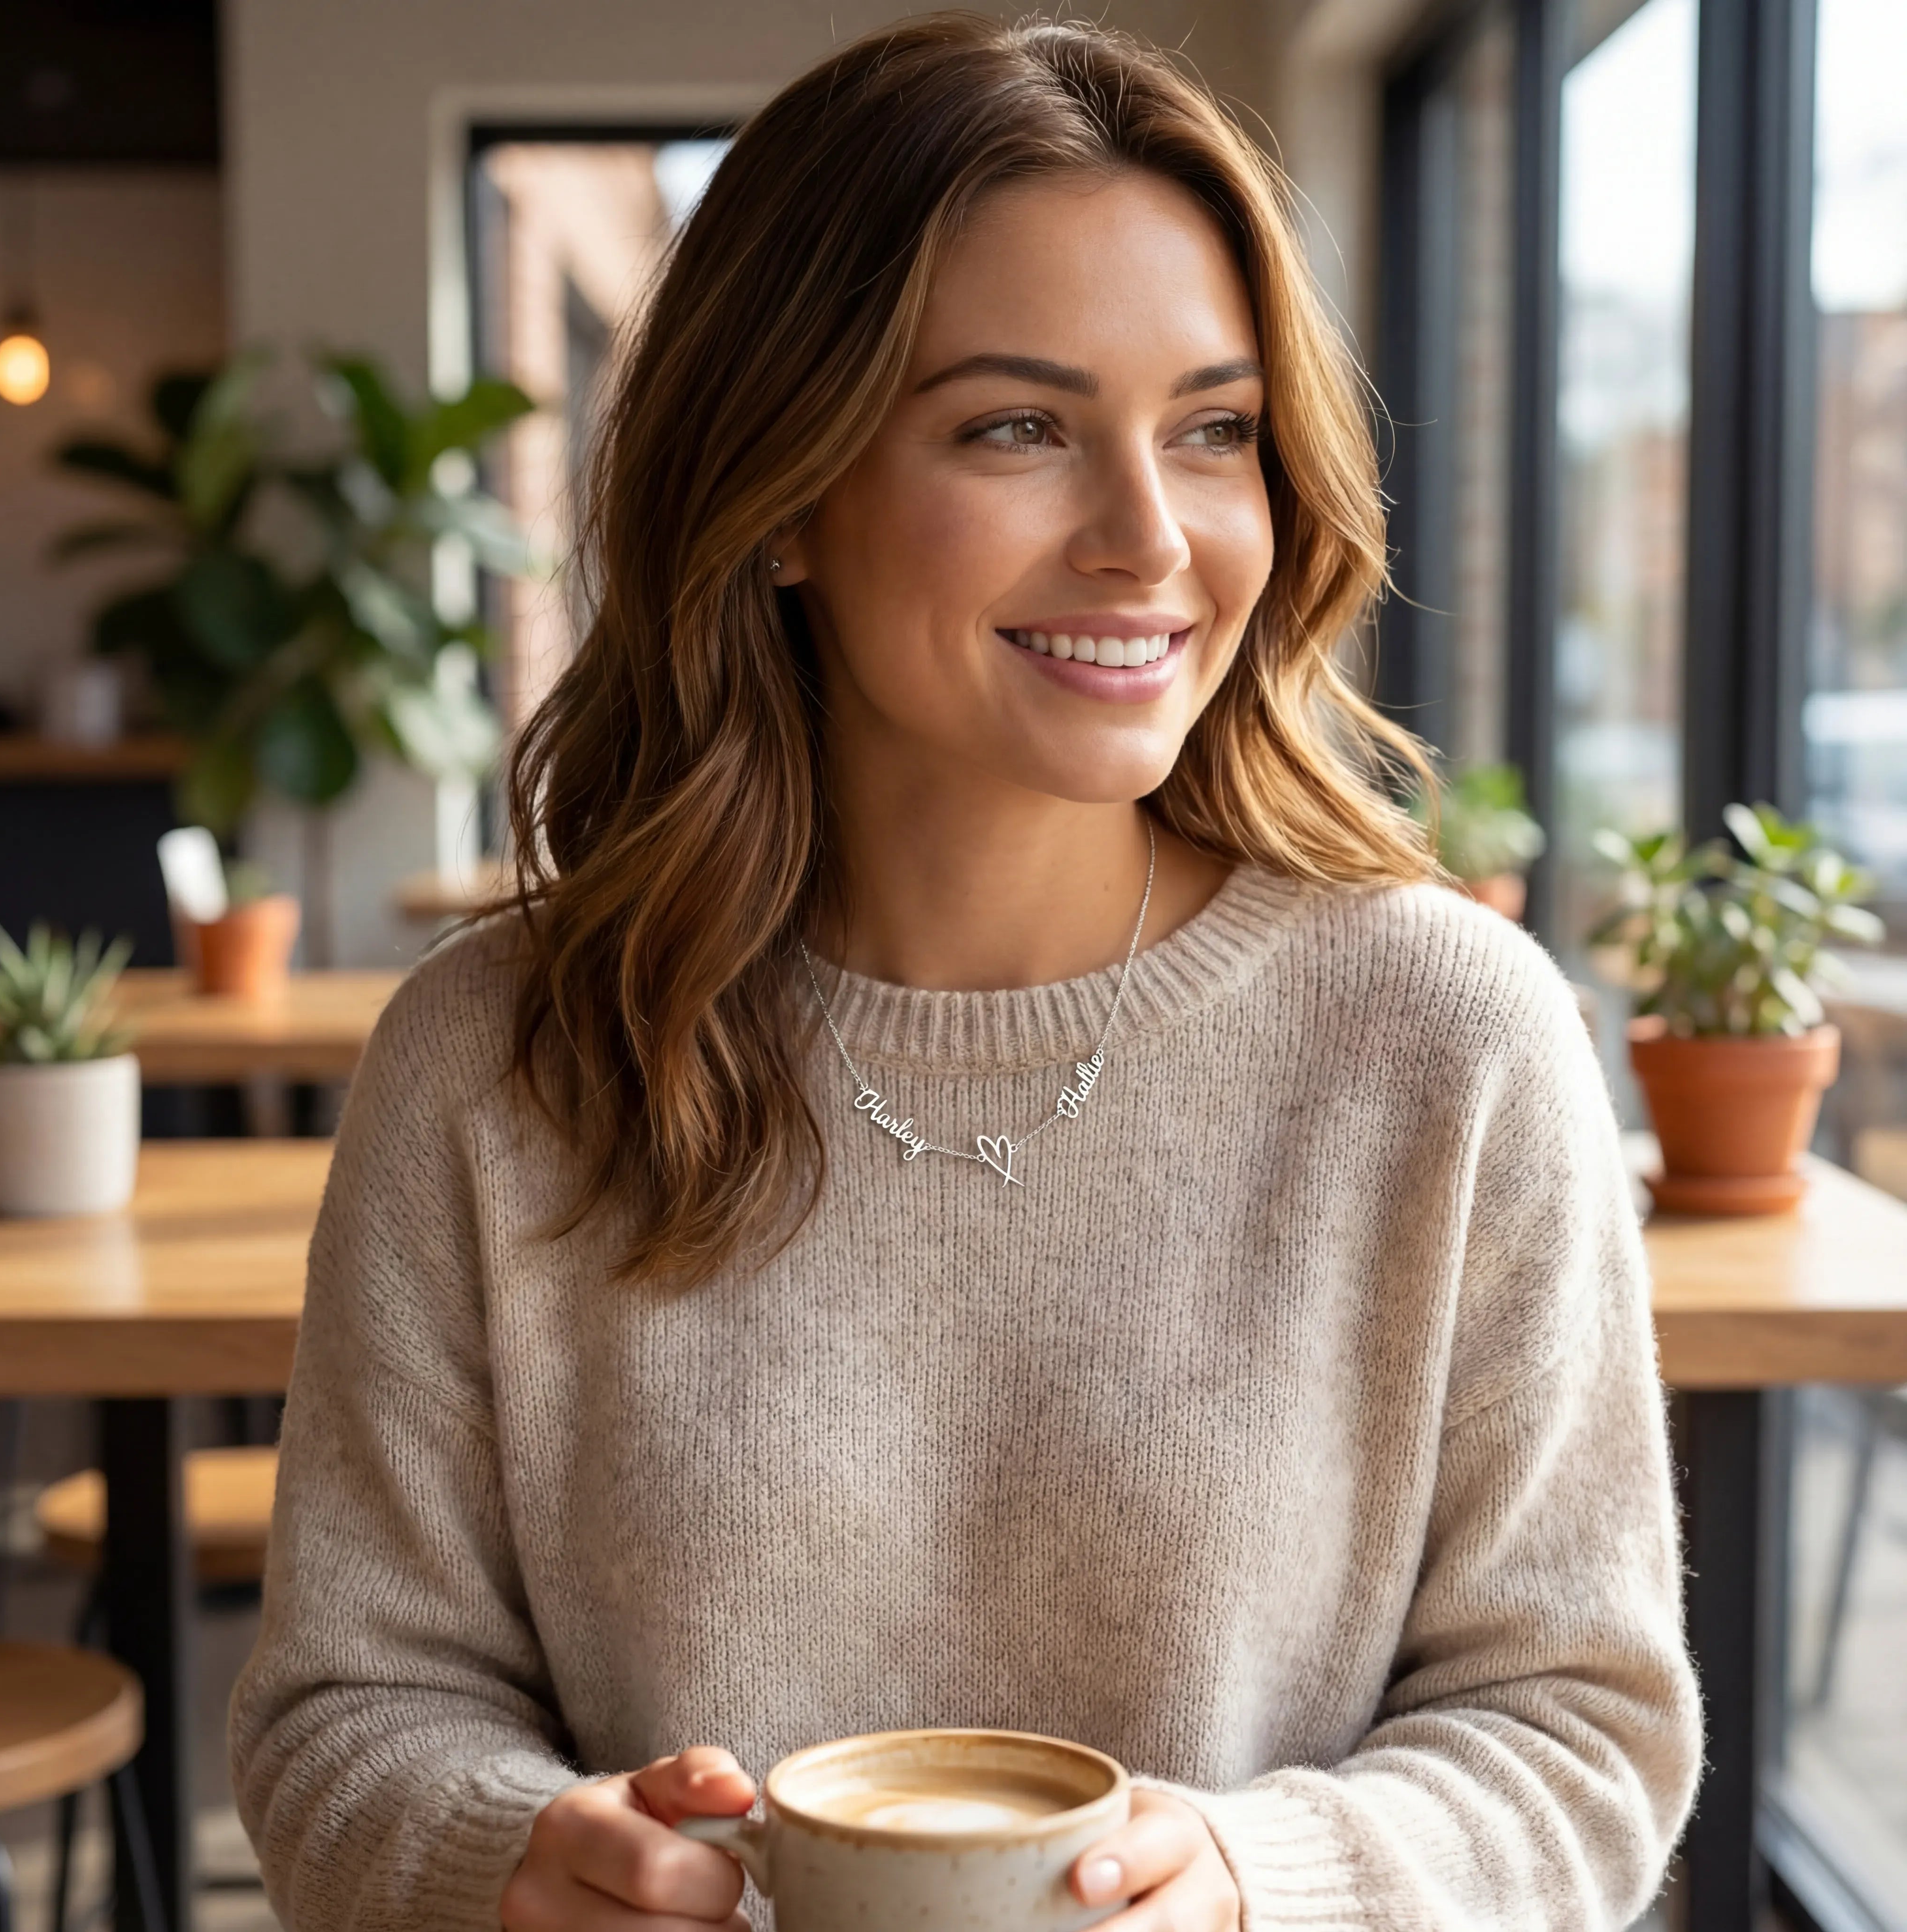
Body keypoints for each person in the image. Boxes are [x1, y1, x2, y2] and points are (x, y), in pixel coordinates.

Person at [230, 15, 1700, 1930]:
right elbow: (346, 1714)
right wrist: (511, 1859)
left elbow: (1580, 1729)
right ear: (778, 496)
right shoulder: (493, 1060)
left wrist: (1263, 1884)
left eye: (1215, 428)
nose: (1150, 539)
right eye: (1017, 427)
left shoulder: (1454, 1042)